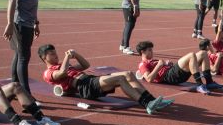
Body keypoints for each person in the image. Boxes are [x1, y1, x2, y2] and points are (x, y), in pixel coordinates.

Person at [38, 45, 171, 114]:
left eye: (55, 52)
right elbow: (61, 73)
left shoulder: (63, 64)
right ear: (44, 58)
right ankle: (147, 105)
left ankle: (153, 101)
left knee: (128, 74)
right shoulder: (48, 72)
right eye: (51, 54)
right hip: (84, 87)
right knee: (120, 79)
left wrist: (75, 54)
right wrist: (67, 58)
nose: (55, 55)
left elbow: (85, 65)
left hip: (90, 80)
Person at [3, 0, 50, 101]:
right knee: (24, 57)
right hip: (20, 21)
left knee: (19, 54)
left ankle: (14, 88)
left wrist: (36, 21)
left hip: (29, 21)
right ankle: (27, 95)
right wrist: (9, 23)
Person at [135, 40, 222, 94]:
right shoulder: (142, 64)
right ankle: (199, 85)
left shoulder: (152, 60)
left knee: (203, 53)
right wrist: (159, 65)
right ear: (142, 51)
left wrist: (166, 64)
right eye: (149, 50)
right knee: (191, 55)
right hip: (169, 76)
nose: (152, 52)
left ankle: (209, 82)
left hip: (173, 72)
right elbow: (149, 79)